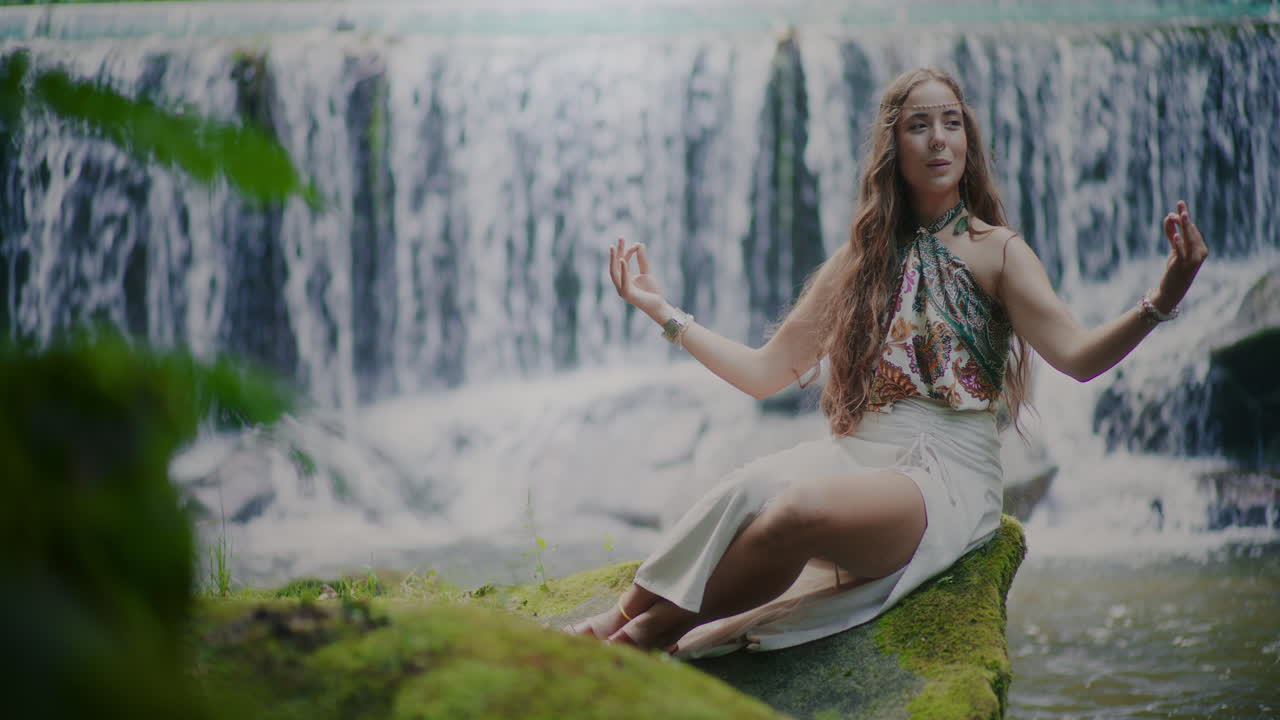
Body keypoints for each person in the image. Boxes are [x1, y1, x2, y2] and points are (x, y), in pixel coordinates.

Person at [568, 67, 1208, 657]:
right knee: (749, 486)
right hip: (861, 452)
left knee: (794, 512)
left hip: (945, 474)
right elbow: (765, 374)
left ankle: (640, 638)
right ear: (892, 149)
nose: (938, 140)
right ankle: (612, 621)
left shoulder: (999, 252)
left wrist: (1160, 301)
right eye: (919, 125)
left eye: (952, 123)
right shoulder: (860, 259)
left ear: (969, 142)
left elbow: (1079, 357)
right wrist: (665, 315)